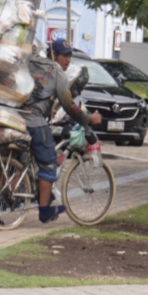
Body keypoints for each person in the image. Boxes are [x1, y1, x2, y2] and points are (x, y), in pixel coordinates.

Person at [20, 38, 101, 223]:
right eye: (64, 55)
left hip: (15, 117)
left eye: (70, 56)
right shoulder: (56, 72)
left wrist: (50, 107)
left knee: (16, 161)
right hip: (35, 122)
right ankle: (45, 211)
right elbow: (70, 105)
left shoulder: (29, 63)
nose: (68, 60)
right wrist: (89, 119)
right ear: (53, 54)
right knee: (49, 164)